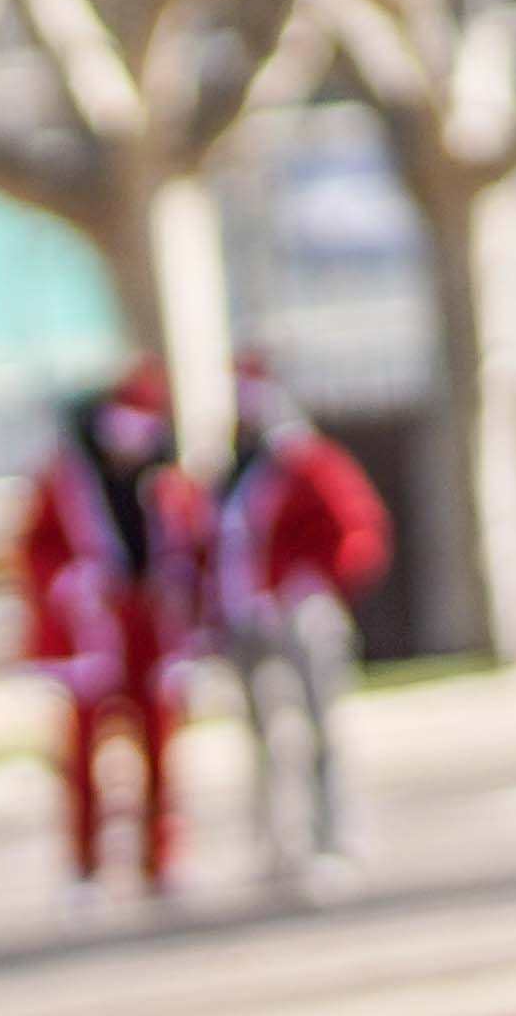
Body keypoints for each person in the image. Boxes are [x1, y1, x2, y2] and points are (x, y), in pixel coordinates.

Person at [20, 372, 210, 911]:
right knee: (84, 757)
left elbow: (197, 550)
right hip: (93, 633)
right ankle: (83, 864)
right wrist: (77, 585)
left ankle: (163, 857)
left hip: (153, 631)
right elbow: (36, 555)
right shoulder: (63, 484)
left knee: (161, 751)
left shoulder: (169, 486)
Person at [212, 372, 391, 890]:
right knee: (261, 738)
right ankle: (276, 844)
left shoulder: (309, 462)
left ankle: (336, 838)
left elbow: (357, 530)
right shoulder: (234, 472)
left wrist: (314, 586)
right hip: (247, 618)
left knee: (320, 730)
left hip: (301, 615)